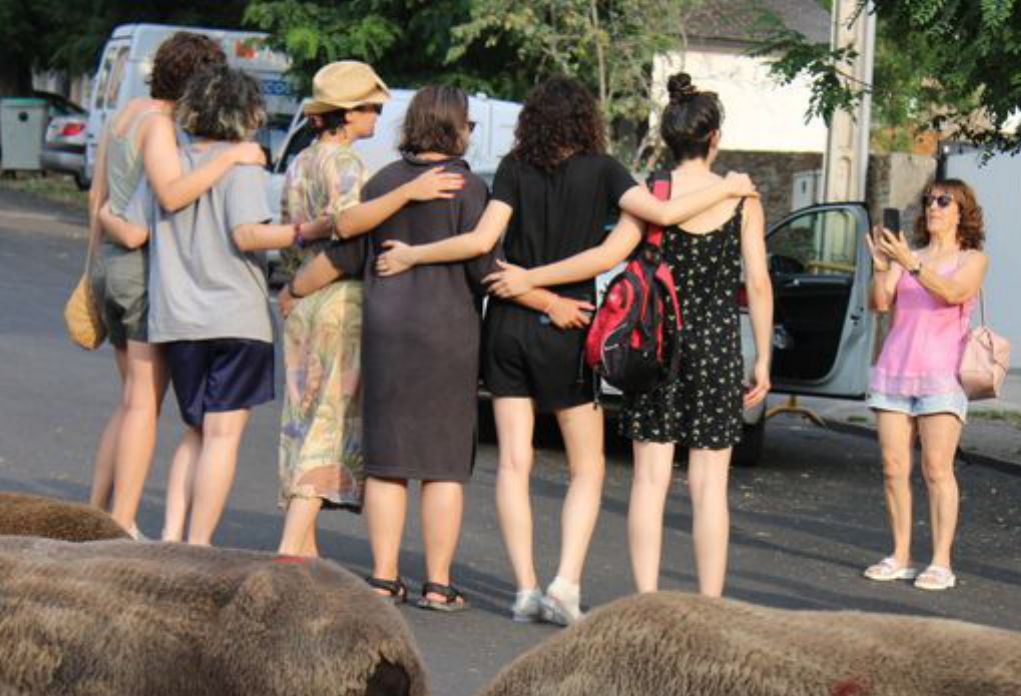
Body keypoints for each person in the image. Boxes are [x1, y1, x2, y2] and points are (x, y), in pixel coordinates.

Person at [374, 75, 757, 624]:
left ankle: (525, 587)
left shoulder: (511, 169)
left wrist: (414, 255)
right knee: (588, 468)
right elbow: (650, 224)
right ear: (587, 120)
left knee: (512, 462)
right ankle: (566, 584)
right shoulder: (604, 170)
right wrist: (728, 187)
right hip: (569, 324)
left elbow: (482, 244)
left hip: (505, 323)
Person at [484, 73, 773, 596]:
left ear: (667, 138)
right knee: (711, 487)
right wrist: (764, 362)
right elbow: (757, 281)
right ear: (714, 139)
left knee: (648, 480)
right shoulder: (742, 200)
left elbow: (606, 257)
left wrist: (530, 278)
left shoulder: (652, 191)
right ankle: (709, 604)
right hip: (717, 349)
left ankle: (646, 599)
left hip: (656, 344)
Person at [101, 66, 334, 546]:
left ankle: (171, 534)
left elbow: (131, 229)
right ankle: (199, 542)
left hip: (176, 320)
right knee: (223, 437)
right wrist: (308, 230)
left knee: (195, 431)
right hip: (236, 319)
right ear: (248, 112)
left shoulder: (170, 164)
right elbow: (247, 233)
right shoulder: (242, 162)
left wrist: (101, 209)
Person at [287, 87, 494, 609]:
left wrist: (293, 290)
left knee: (388, 460)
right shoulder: (470, 189)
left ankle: (383, 577)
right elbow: (486, 269)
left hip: (386, 330)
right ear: (456, 127)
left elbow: (345, 255)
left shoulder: (383, 183)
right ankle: (439, 585)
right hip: (448, 334)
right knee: (444, 464)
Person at [84, 31, 262, 536]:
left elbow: (98, 198)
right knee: (144, 401)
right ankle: (120, 520)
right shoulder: (160, 125)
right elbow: (170, 193)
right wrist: (232, 156)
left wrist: (90, 268)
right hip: (140, 270)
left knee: (129, 400)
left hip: (110, 267)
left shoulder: (126, 113)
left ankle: (94, 511)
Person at [273, 61, 393, 558]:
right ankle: (288, 550)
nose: (377, 115)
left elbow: (287, 237)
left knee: (302, 417)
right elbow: (349, 230)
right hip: (339, 297)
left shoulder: (302, 161)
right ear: (346, 113)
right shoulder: (346, 166)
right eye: (370, 107)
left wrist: (295, 286)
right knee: (330, 420)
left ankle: (307, 551)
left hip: (302, 299)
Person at [858, 177, 989, 591]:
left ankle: (941, 561)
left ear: (961, 211)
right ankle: (900, 554)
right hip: (894, 372)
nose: (933, 206)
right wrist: (882, 268)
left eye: (943, 200)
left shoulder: (972, 259)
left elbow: (954, 292)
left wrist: (911, 264)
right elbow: (879, 303)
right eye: (929, 200)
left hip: (941, 376)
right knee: (894, 468)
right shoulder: (905, 255)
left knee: (937, 469)